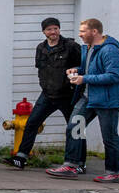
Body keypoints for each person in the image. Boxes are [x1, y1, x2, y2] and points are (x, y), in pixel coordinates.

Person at [48, 18, 119, 182]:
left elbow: (114, 76)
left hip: (107, 101)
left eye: (83, 31)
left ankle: (113, 172)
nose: (80, 34)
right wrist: (77, 70)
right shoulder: (88, 48)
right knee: (75, 127)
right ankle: (71, 165)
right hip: (88, 98)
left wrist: (84, 78)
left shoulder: (109, 51)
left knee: (109, 137)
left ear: (94, 32)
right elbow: (90, 69)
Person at [11, 17, 82, 169]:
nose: (53, 32)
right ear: (44, 32)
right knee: (31, 123)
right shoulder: (41, 48)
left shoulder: (71, 46)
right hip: (47, 94)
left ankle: (79, 163)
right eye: (49, 29)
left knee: (76, 128)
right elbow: (41, 69)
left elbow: (81, 67)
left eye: (56, 28)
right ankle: (21, 157)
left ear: (59, 29)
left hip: (67, 95)